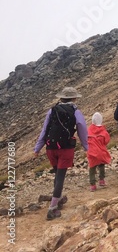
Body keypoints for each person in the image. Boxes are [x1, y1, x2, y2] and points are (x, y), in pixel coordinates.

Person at [33, 87, 88, 220]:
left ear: (61, 98)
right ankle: (52, 209)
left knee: (57, 175)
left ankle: (57, 200)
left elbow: (45, 130)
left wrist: (37, 148)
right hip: (66, 148)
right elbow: (82, 128)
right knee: (60, 177)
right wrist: (86, 146)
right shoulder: (76, 111)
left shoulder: (52, 110)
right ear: (74, 98)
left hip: (50, 147)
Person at [87, 112, 111, 191]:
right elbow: (106, 141)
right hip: (101, 152)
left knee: (92, 168)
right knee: (101, 165)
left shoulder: (89, 130)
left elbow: (85, 140)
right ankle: (101, 180)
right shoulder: (104, 132)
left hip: (92, 152)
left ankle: (93, 185)